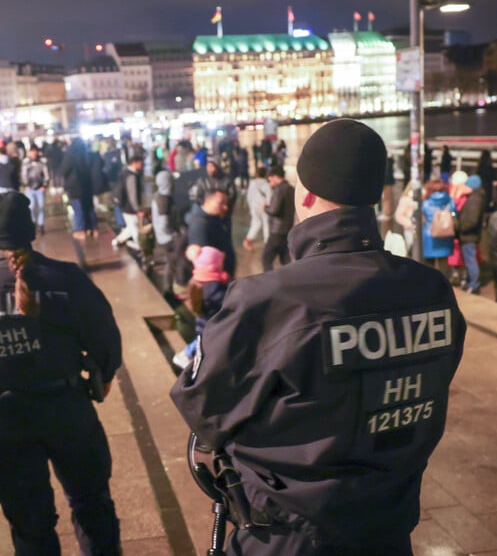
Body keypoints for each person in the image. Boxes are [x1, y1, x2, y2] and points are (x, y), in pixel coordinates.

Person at [171, 119, 466, 555]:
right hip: (389, 530)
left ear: (305, 194)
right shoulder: (433, 292)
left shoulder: (267, 300)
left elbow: (203, 409)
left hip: (288, 535)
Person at [0, 192, 122, 555]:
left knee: (29, 523)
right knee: (92, 505)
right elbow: (104, 336)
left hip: (6, 420)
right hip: (68, 410)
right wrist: (103, 374)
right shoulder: (68, 280)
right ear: (29, 230)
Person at [172, 246, 230, 369]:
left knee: (201, 339)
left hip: (202, 322)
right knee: (202, 342)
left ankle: (189, 354)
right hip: (210, 327)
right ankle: (186, 355)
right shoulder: (214, 288)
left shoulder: (196, 281)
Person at [187, 188, 235, 278]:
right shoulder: (200, 225)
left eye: (226, 204)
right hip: (215, 279)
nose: (225, 207)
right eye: (221, 203)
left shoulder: (217, 218)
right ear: (208, 201)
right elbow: (203, 264)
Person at [421, 179, 457, 275]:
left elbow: (416, 217)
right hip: (446, 235)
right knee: (444, 263)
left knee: (428, 266)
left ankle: (430, 286)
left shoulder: (426, 203)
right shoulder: (450, 201)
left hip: (429, 236)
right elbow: (455, 214)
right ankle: (444, 285)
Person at [457, 175, 487, 294]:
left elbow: (472, 220)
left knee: (471, 260)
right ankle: (471, 282)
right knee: (470, 259)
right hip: (470, 235)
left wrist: (462, 229)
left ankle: (474, 284)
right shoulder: (476, 198)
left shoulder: (474, 200)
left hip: (469, 235)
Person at [262, 165, 293, 272]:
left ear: (275, 177)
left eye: (270, 179)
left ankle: (270, 283)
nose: (269, 182)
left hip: (277, 230)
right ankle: (289, 281)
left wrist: (265, 208)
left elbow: (274, 210)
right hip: (287, 228)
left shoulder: (279, 190)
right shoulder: (290, 188)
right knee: (285, 259)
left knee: (266, 258)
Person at [111, 153, 145, 252]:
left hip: (124, 206)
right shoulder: (132, 176)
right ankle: (139, 245)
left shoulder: (124, 173)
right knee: (135, 228)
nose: (142, 166)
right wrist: (137, 209)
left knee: (131, 227)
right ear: (135, 163)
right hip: (130, 207)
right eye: (141, 163)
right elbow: (132, 195)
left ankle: (117, 241)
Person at [151, 169, 177, 295]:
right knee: (172, 264)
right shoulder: (164, 200)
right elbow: (164, 223)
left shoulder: (158, 196)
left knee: (170, 263)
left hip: (162, 236)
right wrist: (174, 235)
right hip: (167, 238)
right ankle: (168, 290)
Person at [20, 144, 50, 235]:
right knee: (31, 207)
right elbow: (23, 174)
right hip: (29, 188)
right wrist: (25, 185)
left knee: (40, 207)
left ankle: (41, 225)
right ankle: (32, 224)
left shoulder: (42, 162)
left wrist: (44, 185)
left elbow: (46, 174)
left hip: (40, 188)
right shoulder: (25, 162)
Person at [242, 166, 271, 252]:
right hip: (264, 207)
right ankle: (267, 242)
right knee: (266, 224)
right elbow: (269, 197)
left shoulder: (252, 183)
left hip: (254, 206)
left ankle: (248, 239)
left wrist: (249, 206)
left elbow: (249, 196)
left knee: (256, 223)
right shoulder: (267, 185)